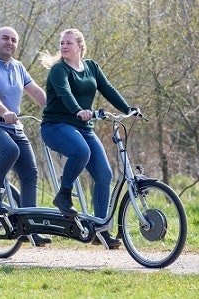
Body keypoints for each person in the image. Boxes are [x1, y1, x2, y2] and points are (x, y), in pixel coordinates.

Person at [39, 28, 139, 249]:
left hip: (84, 127)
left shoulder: (91, 66)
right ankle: (64, 195)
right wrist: (78, 110)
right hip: (56, 125)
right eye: (62, 43)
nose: (64, 47)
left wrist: (127, 108)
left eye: (69, 43)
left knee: (104, 174)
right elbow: (64, 92)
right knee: (81, 151)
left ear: (80, 46)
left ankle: (100, 231)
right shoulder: (59, 70)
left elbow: (107, 88)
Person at [0, 26, 51, 246]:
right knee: (10, 150)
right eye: (5, 38)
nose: (10, 43)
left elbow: (35, 91)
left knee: (30, 173)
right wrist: (4, 112)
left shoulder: (18, 67)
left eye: (14, 40)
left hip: (13, 128)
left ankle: (30, 227)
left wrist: (53, 110)